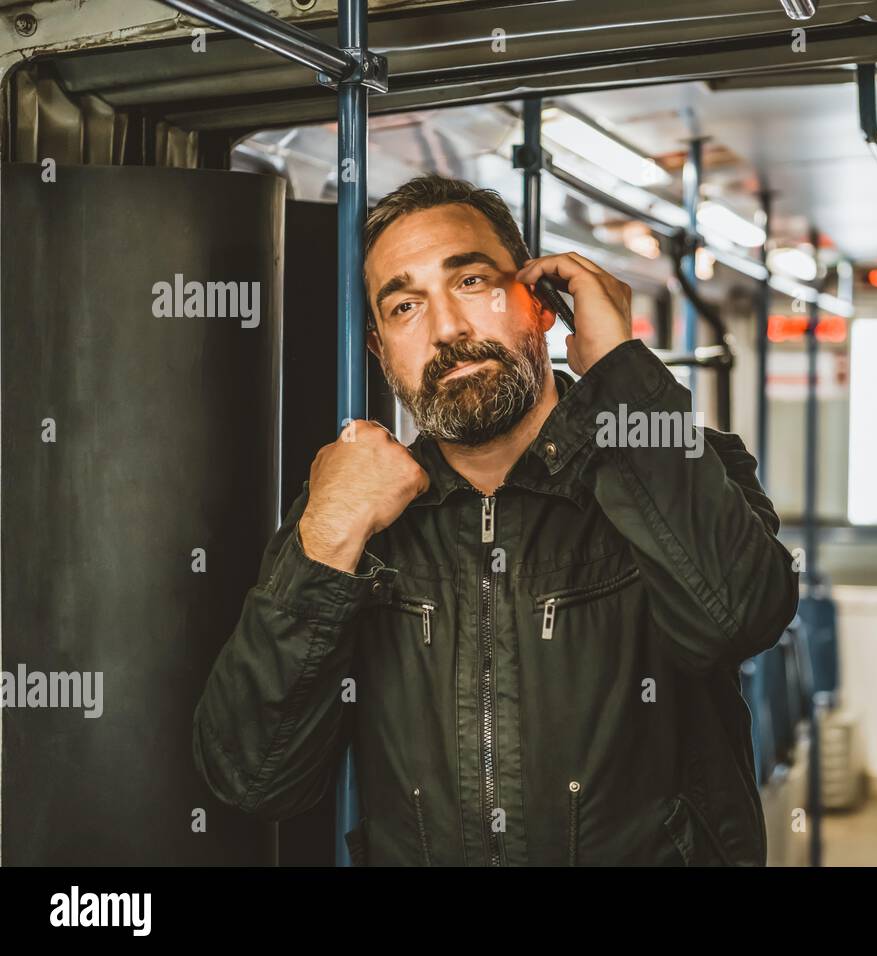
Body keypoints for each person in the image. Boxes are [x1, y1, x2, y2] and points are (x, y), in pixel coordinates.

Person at [193, 173, 799, 865]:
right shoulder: (353, 522)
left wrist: (621, 375)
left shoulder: (671, 466)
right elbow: (254, 778)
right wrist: (327, 541)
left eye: (472, 282)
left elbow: (743, 618)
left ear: (541, 304)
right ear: (381, 352)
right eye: (404, 306)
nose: (447, 327)